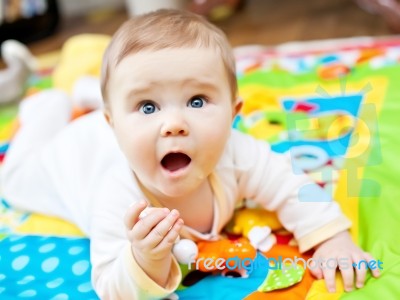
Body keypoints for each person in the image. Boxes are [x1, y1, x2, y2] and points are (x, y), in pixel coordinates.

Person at [1, 9, 381, 299]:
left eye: (197, 100)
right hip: (67, 160)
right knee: (12, 177)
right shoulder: (118, 197)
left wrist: (332, 238)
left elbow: (290, 180)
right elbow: (110, 286)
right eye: (148, 106)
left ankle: (90, 94)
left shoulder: (237, 153)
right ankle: (49, 106)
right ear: (113, 124)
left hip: (106, 134)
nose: (174, 124)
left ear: (234, 114)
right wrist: (144, 258)